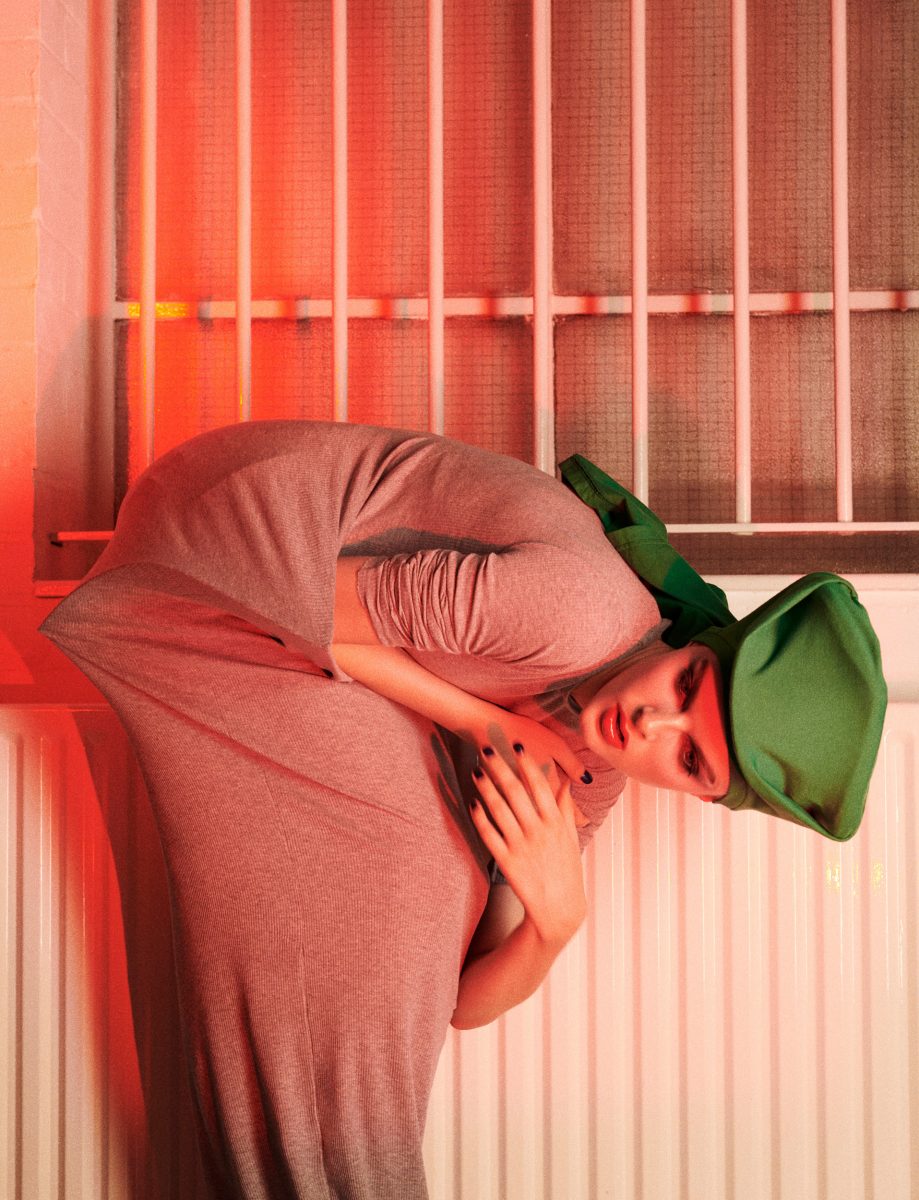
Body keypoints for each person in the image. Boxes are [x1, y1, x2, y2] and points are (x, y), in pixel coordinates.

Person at [38, 419, 886, 1200]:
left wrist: (553, 923)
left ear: (700, 794)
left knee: (439, 886)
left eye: (689, 756)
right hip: (220, 545)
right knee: (415, 863)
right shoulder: (578, 610)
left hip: (273, 617)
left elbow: (459, 1000)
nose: (650, 723)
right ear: (695, 645)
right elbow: (311, 603)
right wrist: (488, 721)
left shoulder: (592, 766)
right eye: (686, 685)